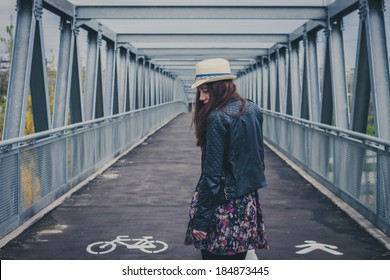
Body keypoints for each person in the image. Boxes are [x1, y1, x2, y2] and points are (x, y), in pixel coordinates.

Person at [184, 58, 269, 260]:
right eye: (200, 91)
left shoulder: (216, 117)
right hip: (246, 202)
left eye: (206, 90)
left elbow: (211, 176)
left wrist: (202, 220)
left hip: (223, 206)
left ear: (219, 88)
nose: (202, 97)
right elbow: (258, 156)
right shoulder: (252, 108)